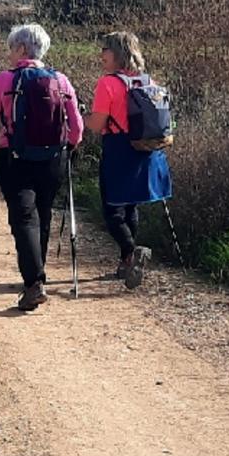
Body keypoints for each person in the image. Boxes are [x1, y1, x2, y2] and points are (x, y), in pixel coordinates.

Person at [0, 23, 83, 312]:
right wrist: (67, 147)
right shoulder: (61, 80)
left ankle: (34, 282)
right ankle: (37, 277)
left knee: (23, 218)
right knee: (43, 215)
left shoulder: (5, 80)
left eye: (11, 48)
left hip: (15, 159)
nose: (9, 54)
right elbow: (77, 128)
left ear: (22, 49)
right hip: (53, 160)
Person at [89, 30, 172, 290]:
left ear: (118, 53)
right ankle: (127, 263)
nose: (102, 54)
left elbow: (97, 124)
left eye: (106, 49)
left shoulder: (107, 83)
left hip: (118, 148)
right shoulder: (148, 81)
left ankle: (130, 251)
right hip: (146, 149)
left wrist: (79, 119)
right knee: (130, 206)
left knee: (112, 209)